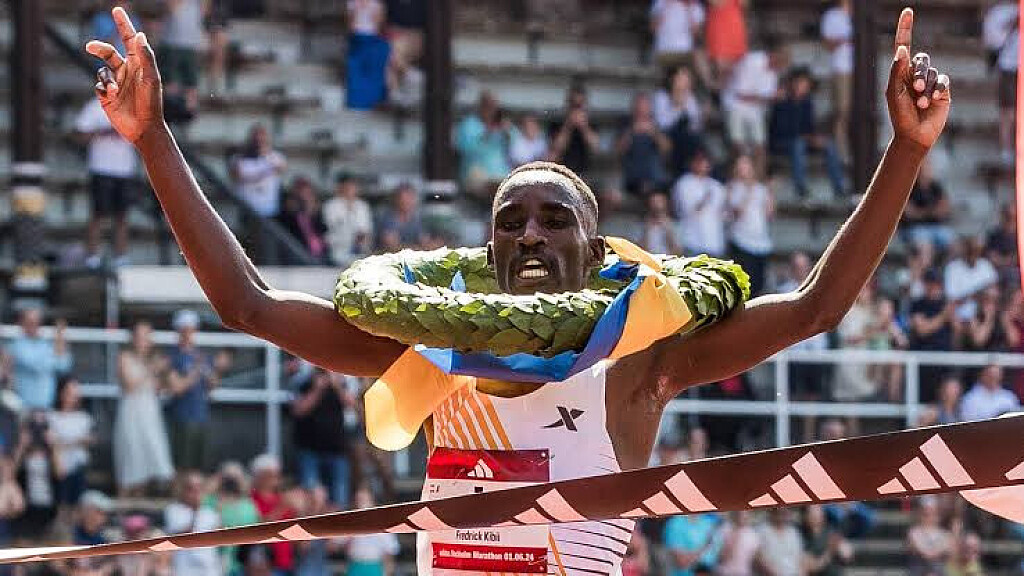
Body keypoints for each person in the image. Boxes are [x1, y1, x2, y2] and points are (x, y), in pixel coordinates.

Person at [86, 9, 950, 575]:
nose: (530, 234)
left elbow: (815, 307)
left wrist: (906, 150)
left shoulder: (638, 358)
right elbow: (246, 304)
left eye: (553, 219)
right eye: (510, 221)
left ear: (595, 248)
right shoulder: (434, 346)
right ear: (486, 250)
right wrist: (152, 137)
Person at [75, 95, 137, 268]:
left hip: (124, 169)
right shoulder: (94, 106)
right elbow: (79, 135)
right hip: (101, 168)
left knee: (122, 215)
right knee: (99, 214)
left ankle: (121, 256)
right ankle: (93, 256)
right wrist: (101, 132)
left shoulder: (130, 106)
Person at [114, 321, 174, 496]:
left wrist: (164, 374)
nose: (143, 340)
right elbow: (129, 385)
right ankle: (124, 496)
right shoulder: (124, 357)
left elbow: (161, 388)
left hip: (150, 410)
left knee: (150, 452)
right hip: (131, 410)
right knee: (131, 452)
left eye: (147, 336)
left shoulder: (154, 359)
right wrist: (152, 368)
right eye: (140, 336)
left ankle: (141, 497)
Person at [167, 309, 230, 472]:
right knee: (181, 466)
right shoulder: (173, 356)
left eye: (191, 329)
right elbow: (176, 388)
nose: (189, 333)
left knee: (199, 466)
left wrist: (217, 370)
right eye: (185, 329)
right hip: (182, 417)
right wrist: (196, 370)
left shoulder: (202, 355)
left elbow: (213, 385)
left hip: (201, 416)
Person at [769, 68, 847, 199]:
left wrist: (816, 138)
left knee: (828, 144)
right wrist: (808, 138)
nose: (803, 87)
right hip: (782, 141)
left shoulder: (807, 103)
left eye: (806, 84)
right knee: (798, 145)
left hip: (803, 140)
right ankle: (801, 189)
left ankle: (839, 189)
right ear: (793, 83)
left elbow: (809, 127)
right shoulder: (782, 102)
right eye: (801, 83)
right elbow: (783, 129)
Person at [292, 367, 354, 508]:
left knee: (339, 499)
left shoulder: (340, 383)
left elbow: (351, 404)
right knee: (311, 497)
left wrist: (337, 386)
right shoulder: (305, 382)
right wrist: (317, 389)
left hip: (337, 450)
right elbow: (299, 410)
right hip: (309, 450)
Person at [723, 36, 787, 167]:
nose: (781, 67)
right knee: (738, 147)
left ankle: (758, 178)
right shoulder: (752, 61)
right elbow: (740, 94)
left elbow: (765, 98)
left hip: (755, 111)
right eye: (781, 62)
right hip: (735, 105)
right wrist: (771, 97)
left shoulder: (774, 74)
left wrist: (775, 98)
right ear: (774, 55)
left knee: (761, 149)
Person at [3, 310, 71, 411]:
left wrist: (60, 338)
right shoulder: (16, 346)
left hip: (46, 409)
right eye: (30, 322)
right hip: (23, 410)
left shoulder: (46, 345)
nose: (34, 326)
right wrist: (57, 350)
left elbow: (64, 365)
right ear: (22, 324)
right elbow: (34, 364)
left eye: (37, 323)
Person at [12, 410, 63, 543]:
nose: (38, 431)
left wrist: (53, 446)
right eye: (34, 426)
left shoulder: (51, 452)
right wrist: (22, 446)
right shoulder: (21, 451)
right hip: (26, 509)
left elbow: (60, 474)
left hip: (49, 508)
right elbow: (10, 474)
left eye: (42, 426)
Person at [726, 154, 773, 295]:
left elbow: (769, 214)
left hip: (760, 241)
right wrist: (748, 191)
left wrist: (770, 192)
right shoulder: (733, 187)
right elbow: (737, 212)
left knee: (759, 283)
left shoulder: (761, 189)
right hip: (742, 240)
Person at [203, 462, 259, 576]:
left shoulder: (248, 505)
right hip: (210, 563)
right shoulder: (209, 501)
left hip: (239, 565)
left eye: (234, 479)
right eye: (227, 479)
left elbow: (253, 532)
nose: (230, 483)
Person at [48, 376, 94, 509]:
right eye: (69, 392)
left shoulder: (84, 417)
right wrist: (75, 441)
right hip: (60, 467)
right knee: (62, 506)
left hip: (79, 467)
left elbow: (89, 440)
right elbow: (51, 441)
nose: (73, 396)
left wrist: (63, 442)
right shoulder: (52, 416)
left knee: (78, 505)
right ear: (61, 393)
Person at [165, 471, 222, 576]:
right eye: (191, 489)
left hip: (209, 569)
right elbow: (181, 536)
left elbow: (218, 538)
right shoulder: (173, 510)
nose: (196, 493)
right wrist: (196, 511)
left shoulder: (210, 512)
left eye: (199, 488)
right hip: (184, 568)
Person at [672, 149, 727, 257]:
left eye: (705, 162)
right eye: (698, 161)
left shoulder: (717, 186)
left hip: (714, 242)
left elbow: (722, 212)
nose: (702, 165)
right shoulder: (683, 184)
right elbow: (686, 211)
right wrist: (705, 199)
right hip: (692, 241)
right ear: (692, 163)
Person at [654, 66, 705, 180]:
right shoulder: (661, 96)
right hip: (668, 133)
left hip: (687, 135)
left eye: (687, 78)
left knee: (693, 140)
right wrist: (677, 107)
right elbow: (662, 123)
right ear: (673, 79)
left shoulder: (690, 98)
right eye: (681, 77)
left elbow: (696, 124)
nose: (685, 81)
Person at [249, 454, 296, 576]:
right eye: (271, 474)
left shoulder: (281, 498)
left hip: (287, 564)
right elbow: (260, 527)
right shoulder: (251, 500)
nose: (276, 478)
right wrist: (283, 506)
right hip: (265, 567)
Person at [230, 124, 288, 220]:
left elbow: (282, 168)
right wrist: (266, 172)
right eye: (256, 139)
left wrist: (265, 155)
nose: (259, 142)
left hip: (270, 211)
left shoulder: (276, 157)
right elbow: (237, 176)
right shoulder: (238, 159)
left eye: (262, 139)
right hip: (247, 210)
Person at [618, 93, 671, 196]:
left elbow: (667, 148)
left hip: (655, 177)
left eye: (644, 107)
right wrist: (631, 131)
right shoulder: (625, 125)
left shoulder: (657, 125)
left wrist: (654, 133)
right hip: (634, 179)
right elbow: (619, 150)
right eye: (638, 106)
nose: (641, 110)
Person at [159, 0, 204, 120]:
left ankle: (188, 114)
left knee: (191, 84)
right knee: (170, 84)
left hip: (191, 45)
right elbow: (171, 9)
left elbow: (204, 12)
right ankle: (171, 112)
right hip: (172, 45)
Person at [340, 487, 399, 576]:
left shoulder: (382, 523)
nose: (361, 502)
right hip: (355, 565)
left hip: (374, 566)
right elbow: (337, 544)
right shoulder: (349, 522)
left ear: (371, 500)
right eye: (358, 499)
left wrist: (387, 571)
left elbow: (391, 549)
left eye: (364, 499)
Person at [821, 0, 853, 159]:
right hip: (841, 69)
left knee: (858, 110)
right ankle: (841, 150)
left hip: (860, 69)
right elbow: (827, 44)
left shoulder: (858, 14)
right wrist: (844, 40)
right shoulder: (832, 16)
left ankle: (852, 148)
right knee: (842, 110)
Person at [346, 0, 390, 110]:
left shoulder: (377, 4)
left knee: (375, 65)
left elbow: (379, 26)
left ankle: (373, 100)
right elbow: (350, 25)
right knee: (355, 68)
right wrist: (357, 12)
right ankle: (357, 101)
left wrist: (374, 15)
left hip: (372, 39)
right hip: (357, 39)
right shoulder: (352, 3)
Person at [902, 157, 953, 251]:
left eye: (929, 166)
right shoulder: (910, 187)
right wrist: (931, 212)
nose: (928, 169)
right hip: (914, 228)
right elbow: (909, 213)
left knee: (952, 241)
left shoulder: (936, 187)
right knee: (924, 243)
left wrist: (922, 213)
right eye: (925, 167)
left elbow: (945, 209)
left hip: (935, 227)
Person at [549, 84, 600, 176]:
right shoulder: (558, 123)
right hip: (562, 172)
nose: (576, 109)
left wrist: (584, 127)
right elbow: (556, 148)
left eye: (579, 105)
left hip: (586, 173)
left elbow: (595, 147)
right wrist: (568, 126)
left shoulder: (591, 123)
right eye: (574, 105)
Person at [323, 173, 374, 265]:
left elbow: (367, 230)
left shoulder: (362, 206)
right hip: (337, 251)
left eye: (353, 185)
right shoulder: (331, 205)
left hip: (360, 252)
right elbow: (332, 229)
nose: (350, 188)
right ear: (340, 186)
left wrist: (363, 237)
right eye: (347, 185)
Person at [277, 177, 329, 264]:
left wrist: (311, 212)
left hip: (321, 254)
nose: (305, 198)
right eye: (302, 194)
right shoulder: (287, 217)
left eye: (308, 194)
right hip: (300, 255)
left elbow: (323, 232)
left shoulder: (317, 215)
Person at [650, 0, 706, 76]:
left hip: (685, 52)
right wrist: (666, 8)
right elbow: (653, 29)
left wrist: (689, 10)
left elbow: (696, 34)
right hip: (664, 51)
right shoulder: (660, 2)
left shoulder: (695, 5)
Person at [704, 0, 748, 89]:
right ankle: (717, 88)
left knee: (735, 67)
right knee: (722, 65)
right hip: (719, 29)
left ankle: (727, 88)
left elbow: (745, 4)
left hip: (735, 26)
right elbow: (717, 3)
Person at [802, 504, 853, 576]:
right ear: (806, 516)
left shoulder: (831, 532)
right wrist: (830, 551)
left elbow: (847, 557)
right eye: (812, 513)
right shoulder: (803, 536)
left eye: (818, 512)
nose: (816, 516)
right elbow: (811, 567)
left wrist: (843, 549)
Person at [907, 497, 953, 576]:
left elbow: (949, 549)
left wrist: (933, 553)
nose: (929, 517)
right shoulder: (914, 532)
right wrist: (931, 553)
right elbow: (916, 547)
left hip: (939, 570)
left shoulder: (945, 534)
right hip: (919, 570)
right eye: (926, 514)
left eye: (932, 513)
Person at [377, 182, 429, 251]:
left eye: (411, 198)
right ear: (396, 199)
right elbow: (392, 246)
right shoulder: (387, 218)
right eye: (404, 198)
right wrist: (417, 248)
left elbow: (425, 241)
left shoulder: (415, 219)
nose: (407, 202)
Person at [755, 508, 804, 576]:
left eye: (785, 512)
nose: (782, 516)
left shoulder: (793, 532)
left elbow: (800, 558)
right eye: (779, 512)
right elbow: (759, 558)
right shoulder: (761, 531)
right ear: (771, 512)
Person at [715, 511, 759, 576]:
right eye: (740, 514)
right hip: (723, 571)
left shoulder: (753, 536)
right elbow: (719, 555)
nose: (742, 516)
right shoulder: (724, 529)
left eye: (746, 514)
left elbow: (753, 559)